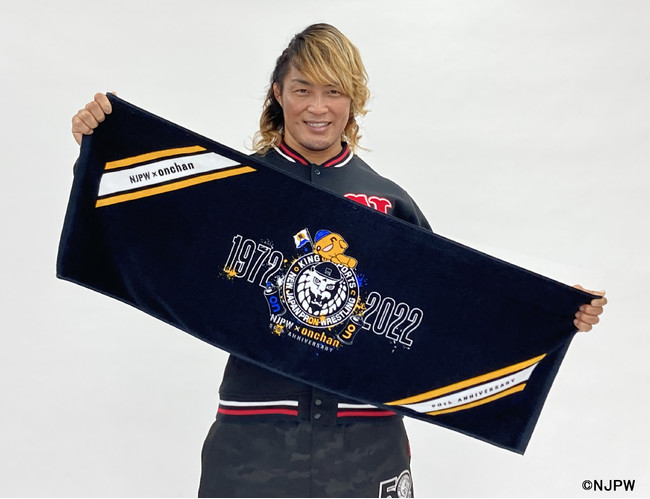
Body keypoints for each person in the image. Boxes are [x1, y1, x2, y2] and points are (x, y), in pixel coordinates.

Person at [71, 23, 607, 498]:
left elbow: (453, 310)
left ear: (354, 100)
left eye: (334, 91)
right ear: (278, 93)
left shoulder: (389, 203)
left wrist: (553, 313)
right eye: (303, 89)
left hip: (368, 444)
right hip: (251, 439)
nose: (318, 107)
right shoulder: (231, 188)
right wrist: (98, 150)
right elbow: (145, 227)